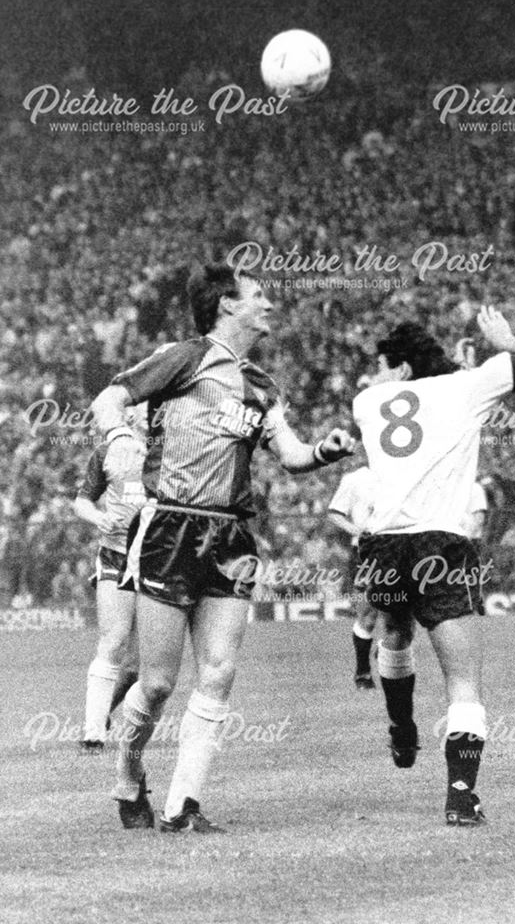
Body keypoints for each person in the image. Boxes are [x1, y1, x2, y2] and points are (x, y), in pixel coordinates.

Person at [91, 263, 354, 833]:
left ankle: (183, 805)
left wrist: (326, 451)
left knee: (219, 670)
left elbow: (290, 455)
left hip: (232, 535)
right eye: (258, 296)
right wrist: (117, 439)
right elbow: (108, 398)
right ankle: (129, 775)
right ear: (226, 305)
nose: (269, 305)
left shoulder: (262, 385)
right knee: (157, 682)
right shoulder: (185, 357)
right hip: (170, 528)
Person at [353, 305, 515, 826]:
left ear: (399, 369)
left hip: (384, 545)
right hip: (441, 544)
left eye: (380, 365)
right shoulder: (467, 387)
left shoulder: (366, 401)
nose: (374, 375)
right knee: (462, 677)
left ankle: (401, 725)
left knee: (394, 635)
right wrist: (504, 338)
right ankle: (462, 795)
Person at [73, 408, 147, 752]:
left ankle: (102, 714)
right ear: (130, 418)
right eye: (145, 412)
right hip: (116, 553)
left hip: (157, 560)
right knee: (113, 640)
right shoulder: (107, 452)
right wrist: (99, 518)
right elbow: (82, 502)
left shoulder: (173, 455)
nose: (152, 418)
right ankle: (93, 733)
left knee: (135, 667)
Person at [328, 464, 379, 688]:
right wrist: (358, 530)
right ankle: (363, 672)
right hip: (367, 551)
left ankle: (387, 652)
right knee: (368, 614)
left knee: (405, 610)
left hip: (401, 548)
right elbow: (334, 513)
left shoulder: (404, 470)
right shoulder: (355, 478)